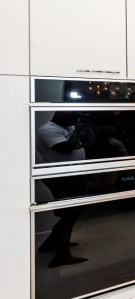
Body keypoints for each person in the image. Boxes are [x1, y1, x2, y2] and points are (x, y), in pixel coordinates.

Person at [36, 111, 95, 267]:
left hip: (72, 175)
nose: (74, 118)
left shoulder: (68, 127)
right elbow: (67, 148)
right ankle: (61, 255)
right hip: (61, 177)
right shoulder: (48, 130)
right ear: (60, 113)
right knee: (70, 212)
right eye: (72, 115)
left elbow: (89, 141)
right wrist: (77, 129)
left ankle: (50, 244)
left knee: (77, 209)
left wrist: (86, 127)